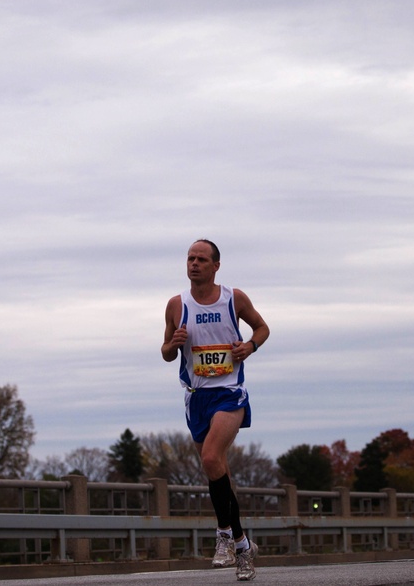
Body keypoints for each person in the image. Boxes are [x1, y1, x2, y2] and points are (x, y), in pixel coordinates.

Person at [161, 239, 269, 582]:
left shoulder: (233, 298)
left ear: (215, 266)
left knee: (210, 458)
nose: (194, 264)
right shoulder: (177, 305)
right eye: (190, 258)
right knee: (216, 470)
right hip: (196, 397)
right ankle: (242, 546)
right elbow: (165, 351)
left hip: (229, 392)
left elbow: (263, 328)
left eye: (201, 259)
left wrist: (249, 346)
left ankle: (224, 534)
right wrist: (172, 345)